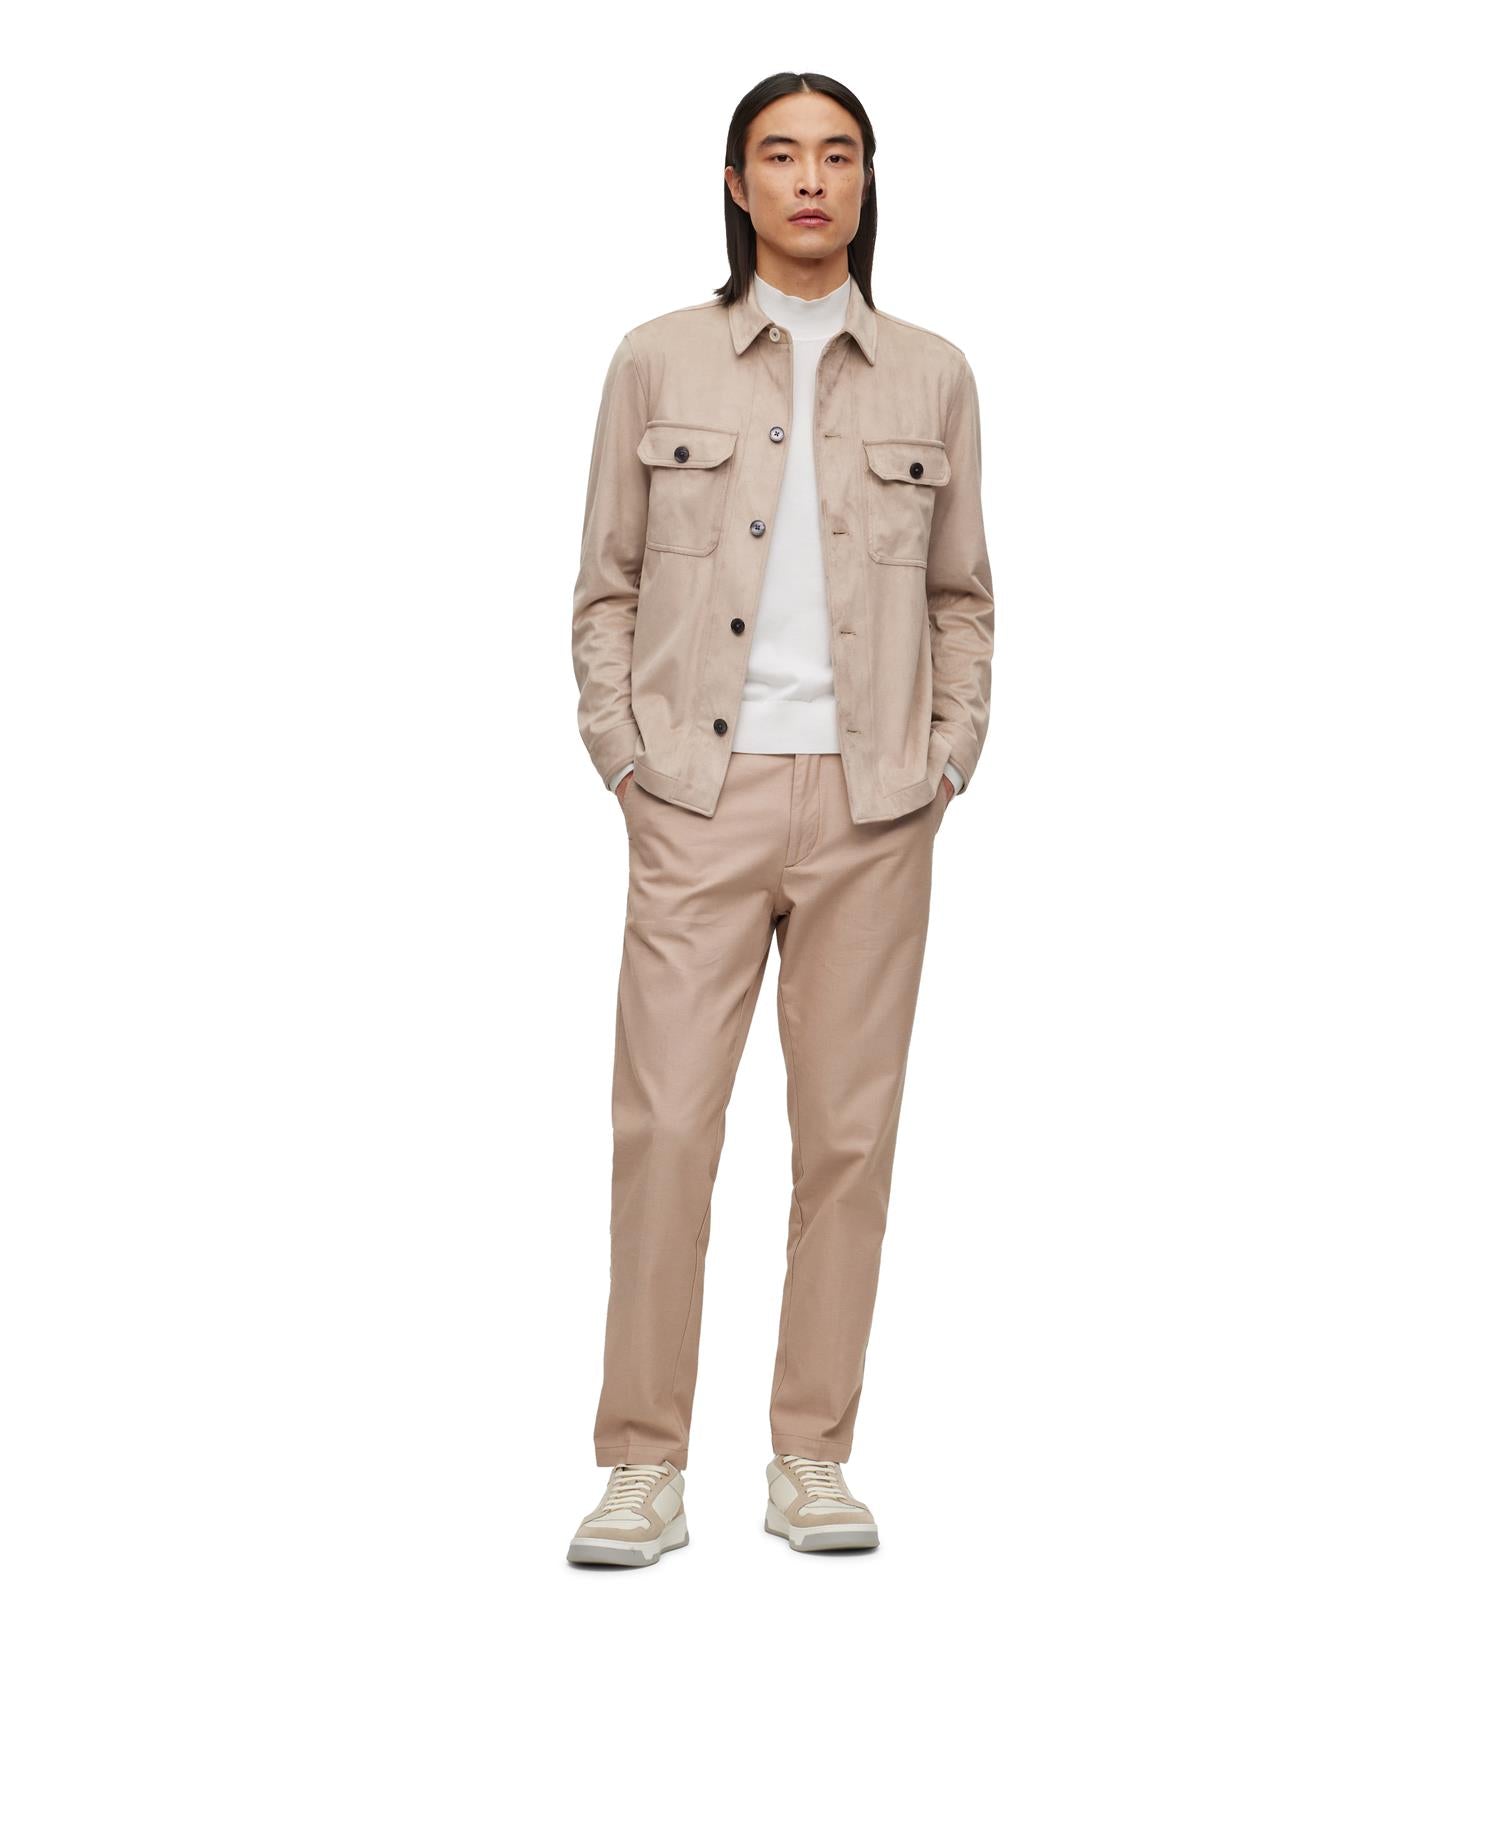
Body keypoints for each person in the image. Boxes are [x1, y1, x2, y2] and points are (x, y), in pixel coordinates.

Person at [566, 71, 994, 1566]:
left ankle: (812, 1456)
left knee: (848, 1142)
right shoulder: (657, 358)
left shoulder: (934, 373)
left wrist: (948, 756)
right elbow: (607, 585)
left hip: (876, 804)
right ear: (738, 183)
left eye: (839, 154)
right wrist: (625, 758)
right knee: (666, 1129)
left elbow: (962, 593)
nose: (812, 178)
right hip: (698, 795)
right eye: (781, 154)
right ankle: (642, 1465)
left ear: (866, 182)